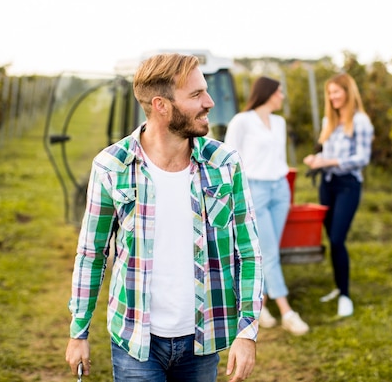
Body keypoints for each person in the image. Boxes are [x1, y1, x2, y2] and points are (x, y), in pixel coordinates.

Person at [65, 53, 264, 382]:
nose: (210, 102)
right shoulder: (111, 166)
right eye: (196, 94)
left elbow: (249, 251)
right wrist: (78, 332)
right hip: (135, 340)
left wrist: (247, 332)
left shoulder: (225, 163)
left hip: (203, 340)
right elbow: (92, 253)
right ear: (161, 105)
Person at [224, 76, 309, 336]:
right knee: (269, 253)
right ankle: (287, 312)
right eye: (279, 92)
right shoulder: (242, 121)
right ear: (268, 93)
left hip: (279, 189)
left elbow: (279, 158)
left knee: (269, 251)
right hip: (256, 191)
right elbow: (229, 157)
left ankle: (259, 306)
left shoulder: (280, 122)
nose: (282, 96)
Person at [302, 73, 373, 318]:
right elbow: (324, 150)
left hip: (347, 185)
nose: (332, 97)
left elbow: (363, 158)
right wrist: (315, 160)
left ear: (348, 92)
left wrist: (328, 161)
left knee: (337, 238)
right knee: (331, 237)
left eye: (337, 92)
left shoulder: (361, 121)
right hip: (327, 183)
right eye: (330, 92)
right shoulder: (328, 120)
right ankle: (339, 286)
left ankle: (345, 295)